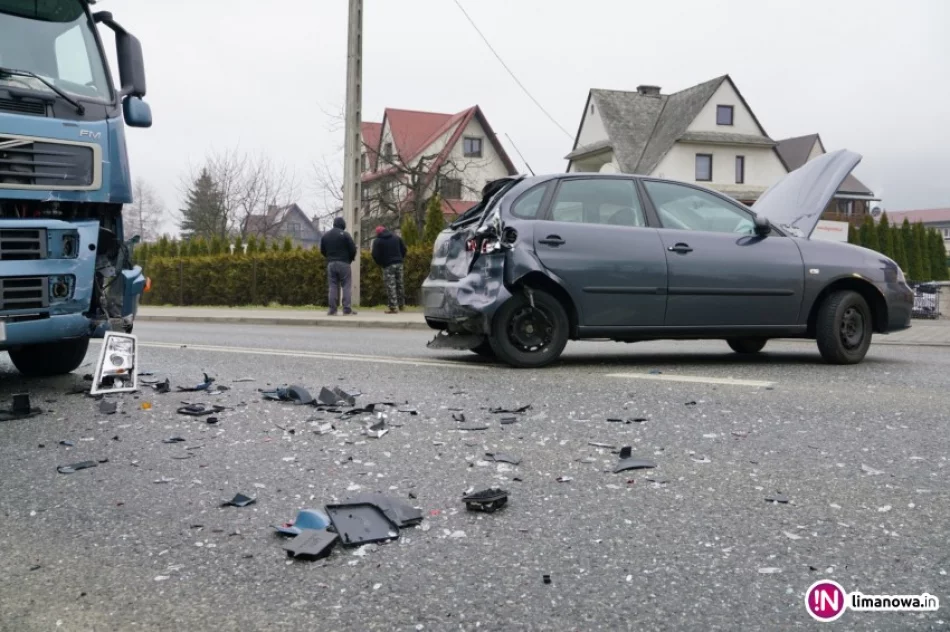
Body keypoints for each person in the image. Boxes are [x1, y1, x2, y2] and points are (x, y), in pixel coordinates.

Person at [320, 217, 357, 315]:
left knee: (332, 286)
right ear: (342, 225)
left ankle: (332, 310)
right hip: (344, 263)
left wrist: (329, 257)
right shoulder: (345, 235)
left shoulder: (326, 236)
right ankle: (346, 309)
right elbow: (353, 249)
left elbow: (322, 250)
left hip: (331, 264)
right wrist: (350, 259)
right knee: (346, 286)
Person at [371, 225, 407, 314]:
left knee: (391, 286)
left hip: (388, 265)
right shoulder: (396, 238)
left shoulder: (378, 241)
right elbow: (404, 249)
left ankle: (393, 307)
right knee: (400, 284)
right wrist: (400, 258)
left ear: (378, 233)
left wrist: (381, 263)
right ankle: (401, 305)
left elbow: (375, 255)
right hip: (399, 263)